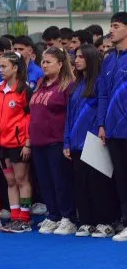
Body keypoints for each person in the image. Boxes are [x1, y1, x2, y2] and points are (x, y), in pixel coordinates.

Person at [64, 44, 119, 238]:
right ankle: (87, 221)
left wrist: (101, 128)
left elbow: (103, 107)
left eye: (81, 57)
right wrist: (66, 142)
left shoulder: (99, 83)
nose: (76, 60)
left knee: (99, 183)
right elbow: (69, 117)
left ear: (91, 58)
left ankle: (105, 221)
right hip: (76, 142)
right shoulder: (75, 85)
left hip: (94, 140)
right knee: (81, 184)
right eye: (75, 56)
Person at [30, 47, 76, 235]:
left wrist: (67, 141)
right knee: (45, 181)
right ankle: (53, 214)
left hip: (56, 141)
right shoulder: (40, 83)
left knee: (60, 181)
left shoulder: (67, 85)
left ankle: (68, 217)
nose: (44, 64)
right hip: (38, 141)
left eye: (48, 61)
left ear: (60, 63)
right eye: (43, 61)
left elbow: (71, 116)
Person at [0, 52, 33, 233]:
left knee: (22, 180)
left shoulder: (24, 90)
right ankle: (15, 217)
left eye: (4, 66)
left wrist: (28, 143)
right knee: (10, 181)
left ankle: (25, 218)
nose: (0, 70)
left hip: (18, 144)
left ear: (15, 68)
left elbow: (31, 117)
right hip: (1, 144)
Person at [98, 13, 127, 241]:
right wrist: (101, 124)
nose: (111, 30)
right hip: (114, 130)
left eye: (116, 26)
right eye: (110, 26)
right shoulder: (108, 59)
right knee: (120, 177)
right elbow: (103, 94)